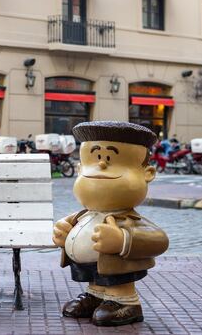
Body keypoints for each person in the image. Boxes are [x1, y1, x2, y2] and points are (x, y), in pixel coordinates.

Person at [52, 121, 169, 327]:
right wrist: (66, 232)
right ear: (80, 168)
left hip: (119, 266)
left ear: (147, 174)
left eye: (111, 159)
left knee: (117, 282)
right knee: (95, 278)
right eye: (94, 158)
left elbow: (159, 240)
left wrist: (123, 240)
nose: (102, 165)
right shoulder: (84, 214)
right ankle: (96, 295)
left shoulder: (130, 220)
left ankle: (125, 302)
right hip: (90, 265)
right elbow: (71, 226)